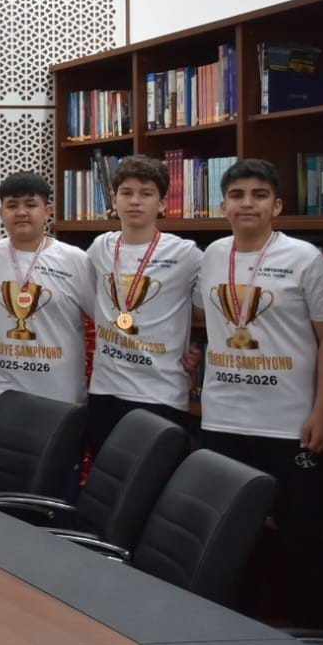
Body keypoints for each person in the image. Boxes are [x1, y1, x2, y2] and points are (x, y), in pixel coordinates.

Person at [197, 158, 323, 627]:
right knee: (230, 542)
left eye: (259, 195)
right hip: (221, 422)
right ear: (223, 205)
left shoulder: (305, 259)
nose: (248, 203)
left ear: (276, 206)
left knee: (304, 543)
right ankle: (238, 631)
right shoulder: (212, 255)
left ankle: (317, 638)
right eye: (237, 195)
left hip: (290, 426)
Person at [83, 155, 201, 457]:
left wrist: (197, 349)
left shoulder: (186, 254)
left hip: (161, 394)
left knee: (156, 480)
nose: (135, 201)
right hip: (105, 392)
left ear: (162, 203)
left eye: (146, 194)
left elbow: (214, 309)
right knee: (105, 478)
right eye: (127, 193)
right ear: (114, 199)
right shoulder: (100, 248)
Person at [0, 172, 95, 442]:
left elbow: (104, 321)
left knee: (57, 471)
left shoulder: (76, 261)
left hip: (58, 398)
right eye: (12, 205)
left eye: (31, 204)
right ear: (1, 212)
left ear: (47, 211)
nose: (21, 212)